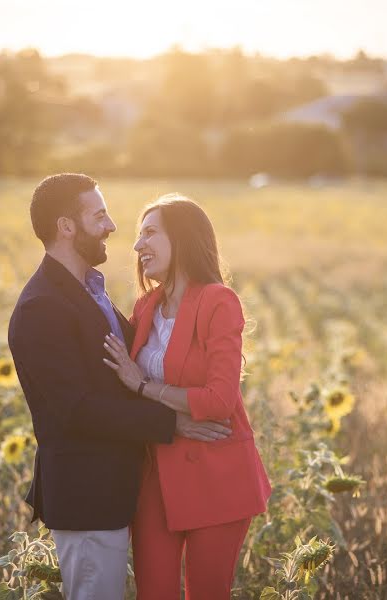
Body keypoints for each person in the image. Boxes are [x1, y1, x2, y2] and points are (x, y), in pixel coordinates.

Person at [7, 174, 234, 600]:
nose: (112, 226)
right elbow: (75, 410)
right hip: (87, 495)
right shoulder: (42, 307)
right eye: (99, 215)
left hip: (119, 491)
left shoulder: (90, 292)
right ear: (66, 227)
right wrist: (174, 423)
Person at [102, 193, 272, 599]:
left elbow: (219, 401)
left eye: (149, 233)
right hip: (156, 476)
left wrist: (144, 386)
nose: (137, 246)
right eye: (138, 236)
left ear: (182, 238)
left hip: (216, 478)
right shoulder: (144, 307)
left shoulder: (218, 301)